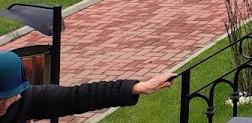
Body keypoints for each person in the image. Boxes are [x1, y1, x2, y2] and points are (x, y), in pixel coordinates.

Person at [0, 50, 174, 122]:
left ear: (19, 93)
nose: (1, 105)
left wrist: (138, 88)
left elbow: (80, 95)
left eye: (6, 99)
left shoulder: (27, 100)